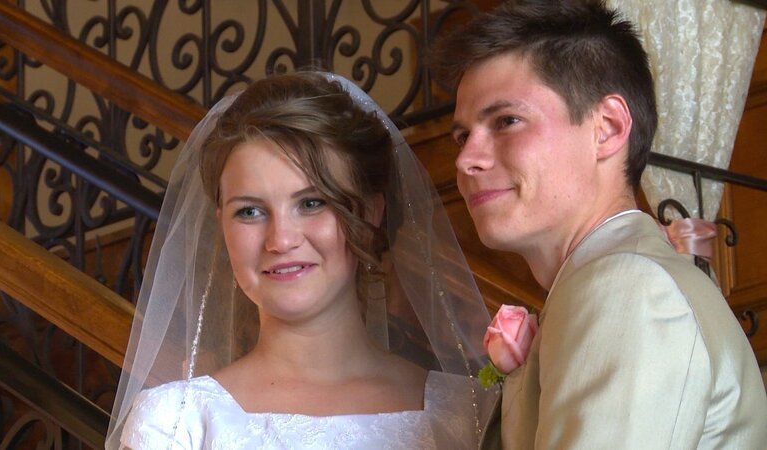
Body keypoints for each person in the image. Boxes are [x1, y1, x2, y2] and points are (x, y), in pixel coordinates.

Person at [429, 0, 767, 448]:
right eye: (461, 136)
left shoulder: (627, 286)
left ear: (606, 127)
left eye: (506, 121)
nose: (466, 159)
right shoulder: (603, 280)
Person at [104, 71, 497, 449]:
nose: (281, 239)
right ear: (220, 223)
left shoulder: (468, 413)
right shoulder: (175, 423)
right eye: (249, 212)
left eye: (311, 203)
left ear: (369, 212)